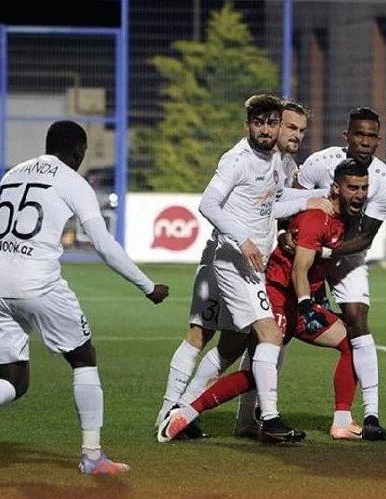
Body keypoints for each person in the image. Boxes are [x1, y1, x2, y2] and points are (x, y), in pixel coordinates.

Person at [0, 120, 170, 477]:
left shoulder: (12, 174)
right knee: (83, 357)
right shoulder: (73, 181)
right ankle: (92, 456)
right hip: (37, 283)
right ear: (79, 151)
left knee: (14, 380)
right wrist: (147, 286)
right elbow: (103, 244)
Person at [158, 158, 369, 442]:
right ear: (335, 188)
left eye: (364, 188)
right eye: (353, 188)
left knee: (351, 343)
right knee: (255, 369)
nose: (359, 195)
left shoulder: (344, 216)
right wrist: (307, 304)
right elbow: (299, 268)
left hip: (300, 302)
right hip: (279, 297)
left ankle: (341, 422)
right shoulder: (317, 218)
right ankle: (185, 413)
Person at [152, 100, 323, 437]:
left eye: (298, 129)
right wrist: (244, 240)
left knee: (232, 345)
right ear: (249, 125)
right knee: (204, 334)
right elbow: (208, 203)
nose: (293, 134)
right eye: (290, 127)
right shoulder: (237, 160)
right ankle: (175, 411)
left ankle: (180, 413)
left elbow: (270, 204)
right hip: (227, 258)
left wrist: (310, 200)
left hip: (249, 261)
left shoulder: (279, 163)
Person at [291, 106, 386, 440]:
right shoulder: (320, 163)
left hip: (345, 253)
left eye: (371, 136)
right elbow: (291, 199)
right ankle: (259, 413)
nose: (365, 141)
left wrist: (326, 253)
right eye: (359, 134)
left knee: (357, 321)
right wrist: (286, 236)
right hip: (307, 248)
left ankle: (371, 415)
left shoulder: (385, 181)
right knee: (273, 333)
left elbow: (365, 237)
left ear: (378, 141)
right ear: (346, 136)